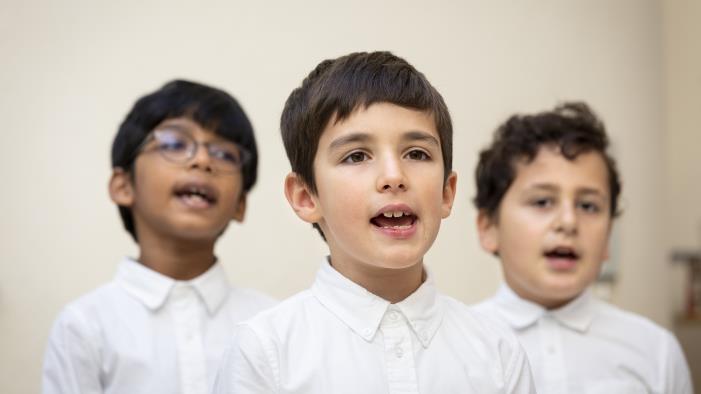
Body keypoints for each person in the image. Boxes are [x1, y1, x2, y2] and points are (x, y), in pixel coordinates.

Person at [213, 51, 535, 394]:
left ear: (446, 192)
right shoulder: (265, 352)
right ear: (306, 197)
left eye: (416, 153)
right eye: (356, 156)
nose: (394, 176)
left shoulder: (498, 352)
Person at [42, 80, 275, 394]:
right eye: (175, 144)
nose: (203, 161)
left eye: (224, 154)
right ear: (123, 186)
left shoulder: (272, 323)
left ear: (241, 204)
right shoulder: (84, 326)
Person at [472, 102, 693, 393]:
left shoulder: (655, 350)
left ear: (608, 235)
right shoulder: (460, 344)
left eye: (588, 206)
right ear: (489, 227)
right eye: (542, 202)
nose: (568, 222)